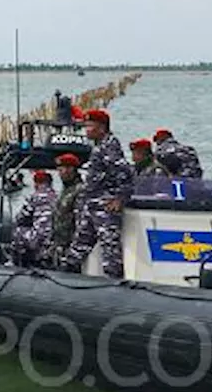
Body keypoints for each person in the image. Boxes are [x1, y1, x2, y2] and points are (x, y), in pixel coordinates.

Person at [61, 109, 135, 278]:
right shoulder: (99, 147)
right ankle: (65, 277)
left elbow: (126, 173)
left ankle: (115, 284)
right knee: (79, 246)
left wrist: (120, 198)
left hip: (105, 207)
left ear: (102, 127)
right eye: (86, 126)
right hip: (92, 205)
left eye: (90, 126)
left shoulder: (110, 146)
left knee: (110, 250)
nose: (86, 130)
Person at [9, 170, 58, 267]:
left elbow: (21, 217)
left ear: (36, 183)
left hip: (37, 239)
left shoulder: (34, 197)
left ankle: (17, 263)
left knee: (18, 231)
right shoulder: (57, 196)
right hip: (54, 238)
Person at [49, 153, 84, 268]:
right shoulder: (65, 190)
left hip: (70, 246)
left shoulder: (79, 191)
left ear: (71, 169)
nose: (60, 173)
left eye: (63, 169)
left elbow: (80, 222)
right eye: (59, 170)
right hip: (59, 245)